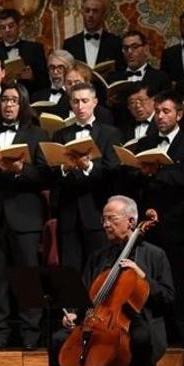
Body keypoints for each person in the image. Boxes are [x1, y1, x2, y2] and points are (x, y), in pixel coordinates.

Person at [49, 196, 174, 366]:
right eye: (104, 219)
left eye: (111, 219)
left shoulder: (155, 255)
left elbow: (168, 298)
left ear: (131, 221)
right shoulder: (99, 256)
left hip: (140, 320)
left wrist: (142, 276)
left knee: (141, 338)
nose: (105, 224)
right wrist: (75, 315)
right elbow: (86, 297)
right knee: (57, 341)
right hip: (101, 320)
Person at [118, 90, 184, 348]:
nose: (160, 116)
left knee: (182, 283)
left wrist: (156, 172)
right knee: (151, 284)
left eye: (166, 111)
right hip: (149, 225)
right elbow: (133, 178)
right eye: (157, 111)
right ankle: (157, 336)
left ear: (179, 115)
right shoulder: (145, 143)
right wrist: (146, 178)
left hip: (178, 225)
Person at [0, 82, 46, 349]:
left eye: (14, 100)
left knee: (27, 277)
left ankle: (30, 334)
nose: (8, 105)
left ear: (22, 104)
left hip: (25, 216)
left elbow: (43, 175)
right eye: (4, 100)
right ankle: (1, 332)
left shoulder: (38, 134)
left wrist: (19, 169)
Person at [49, 82, 123, 270]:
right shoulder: (60, 135)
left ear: (95, 102)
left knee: (100, 269)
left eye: (84, 101)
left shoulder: (110, 133)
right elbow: (52, 174)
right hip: (69, 213)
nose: (80, 106)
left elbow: (113, 169)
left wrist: (88, 165)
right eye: (75, 102)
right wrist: (64, 169)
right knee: (70, 271)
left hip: (97, 211)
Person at [0, 8, 48, 92]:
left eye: (11, 26)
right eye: (3, 27)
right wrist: (0, 80)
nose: (7, 30)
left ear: (19, 25)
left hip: (30, 97)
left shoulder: (35, 49)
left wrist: (32, 76)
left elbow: (46, 81)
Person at [62, 0, 124, 73]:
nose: (90, 15)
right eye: (87, 11)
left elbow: (121, 70)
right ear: (82, 13)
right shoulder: (69, 44)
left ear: (103, 14)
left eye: (95, 11)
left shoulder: (116, 42)